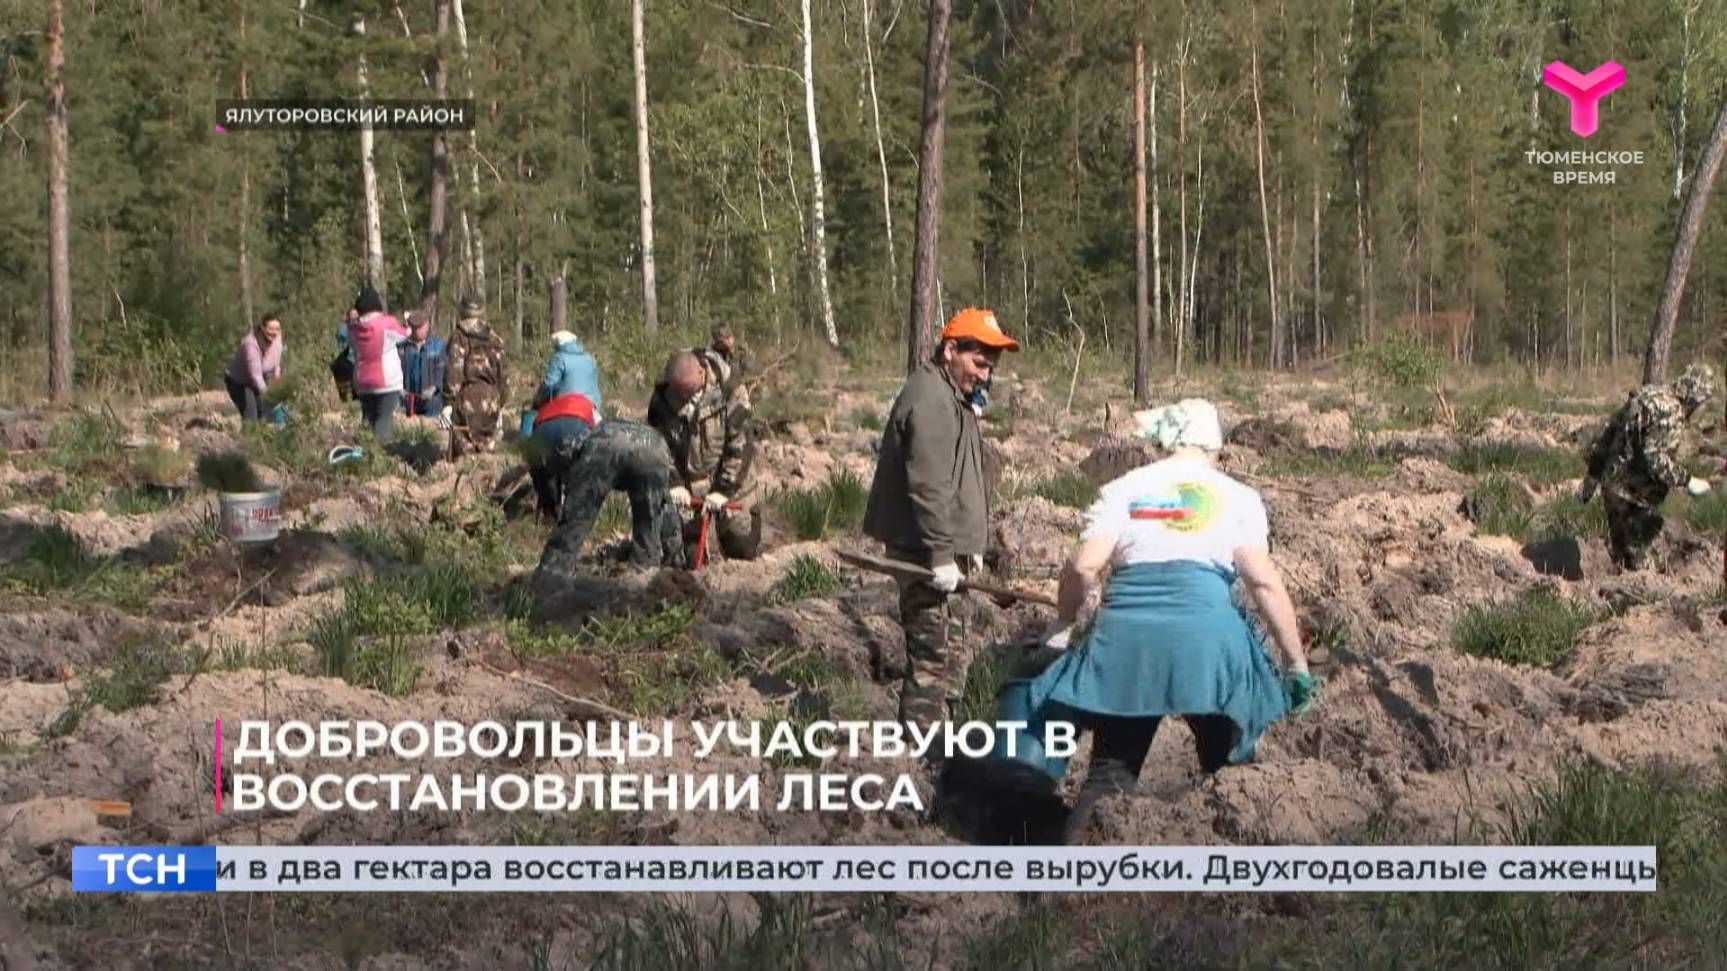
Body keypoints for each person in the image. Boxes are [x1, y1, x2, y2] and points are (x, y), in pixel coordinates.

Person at [1026, 399, 1316, 844]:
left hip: (1129, 644)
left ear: (1165, 443)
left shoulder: (1123, 488)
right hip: (1209, 646)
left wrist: (1063, 625)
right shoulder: (1238, 497)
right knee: (1230, 772)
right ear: (1215, 447)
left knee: (1109, 775)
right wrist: (1295, 664)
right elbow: (1263, 584)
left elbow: (1084, 567)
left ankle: (1071, 873)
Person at [862, 307, 1019, 727]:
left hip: (944, 550)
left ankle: (942, 742)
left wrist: (970, 546)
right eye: (979, 364)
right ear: (950, 350)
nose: (985, 375)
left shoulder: (952, 394)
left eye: (991, 368)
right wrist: (942, 555)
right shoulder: (931, 400)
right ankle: (921, 748)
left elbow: (959, 476)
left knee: (951, 658)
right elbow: (929, 487)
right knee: (932, 660)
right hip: (924, 553)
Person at [1579, 363, 1717, 570]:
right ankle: (1635, 581)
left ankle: (1617, 579)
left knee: (1621, 554)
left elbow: (1610, 431)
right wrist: (1688, 481)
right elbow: (1654, 458)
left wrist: (1592, 477)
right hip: (1633, 495)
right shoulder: (1671, 413)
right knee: (1640, 559)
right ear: (1694, 399)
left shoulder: (1650, 394)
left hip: (1612, 486)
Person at [647, 349, 762, 562]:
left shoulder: (730, 390)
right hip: (690, 485)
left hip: (734, 480)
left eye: (688, 391)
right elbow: (658, 444)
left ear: (702, 373)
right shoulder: (663, 395)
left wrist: (723, 490)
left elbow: (741, 445)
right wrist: (674, 482)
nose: (683, 398)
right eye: (679, 393)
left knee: (741, 548)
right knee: (688, 558)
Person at [536, 419, 685, 578]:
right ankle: (649, 573)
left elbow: (576, 504)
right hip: (655, 446)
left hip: (607, 447)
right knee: (651, 518)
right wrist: (675, 554)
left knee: (578, 517)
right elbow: (665, 508)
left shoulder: (587, 447)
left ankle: (551, 572)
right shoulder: (594, 431)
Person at [527, 330, 604, 519]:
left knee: (549, 462)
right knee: (584, 458)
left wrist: (537, 401)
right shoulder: (589, 359)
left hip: (561, 410)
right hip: (589, 410)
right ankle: (581, 509)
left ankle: (550, 509)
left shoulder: (560, 358)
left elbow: (549, 385)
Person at [442, 297, 510, 458]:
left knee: (465, 451)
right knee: (487, 451)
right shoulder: (495, 339)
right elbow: (504, 377)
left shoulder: (459, 337)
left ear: (462, 312)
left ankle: (466, 471)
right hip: (491, 399)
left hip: (467, 399)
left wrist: (448, 402)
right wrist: (500, 403)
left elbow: (454, 372)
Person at [344, 287, 409, 441]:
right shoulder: (387, 323)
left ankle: (364, 449)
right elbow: (405, 335)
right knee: (384, 420)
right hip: (386, 382)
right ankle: (381, 450)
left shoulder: (354, 329)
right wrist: (408, 324)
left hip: (363, 382)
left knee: (367, 420)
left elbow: (352, 345)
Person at [223, 314, 284, 421]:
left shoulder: (277, 341)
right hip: (239, 382)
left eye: (276, 332)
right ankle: (249, 430)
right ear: (262, 330)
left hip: (261, 378)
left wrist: (276, 390)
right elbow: (256, 376)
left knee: (264, 413)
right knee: (251, 415)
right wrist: (270, 397)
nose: (272, 337)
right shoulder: (251, 345)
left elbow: (276, 367)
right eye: (269, 333)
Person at [397, 312, 447, 418]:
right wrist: (399, 388)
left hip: (432, 403)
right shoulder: (402, 348)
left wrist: (434, 388)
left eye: (420, 327)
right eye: (414, 327)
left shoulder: (438, 346)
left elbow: (441, 371)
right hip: (408, 402)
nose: (417, 331)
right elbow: (396, 370)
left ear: (427, 326)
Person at [331, 307, 359, 402]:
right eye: (352, 315)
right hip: (347, 360)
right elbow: (339, 344)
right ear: (348, 317)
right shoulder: (343, 328)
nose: (354, 317)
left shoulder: (361, 327)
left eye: (356, 315)